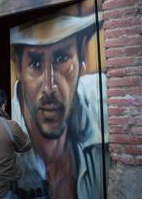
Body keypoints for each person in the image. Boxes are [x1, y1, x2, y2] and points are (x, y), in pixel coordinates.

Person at [10, 11, 108, 199]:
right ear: (18, 69)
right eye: (35, 63)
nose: (49, 87)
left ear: (82, 57)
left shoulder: (105, 103)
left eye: (62, 58)